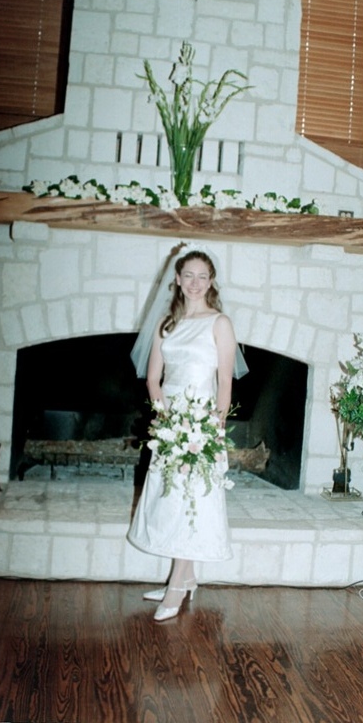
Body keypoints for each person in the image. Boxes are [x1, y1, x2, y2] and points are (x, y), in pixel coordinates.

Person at [127, 242, 248, 622]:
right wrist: (165, 422)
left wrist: (212, 430)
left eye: (203, 276)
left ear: (211, 281)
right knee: (173, 501)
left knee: (190, 502)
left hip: (202, 425)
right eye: (189, 276)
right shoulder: (166, 324)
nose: (195, 283)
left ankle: (176, 588)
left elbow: (225, 383)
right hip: (171, 426)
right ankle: (186, 578)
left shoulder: (220, 323)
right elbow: (153, 378)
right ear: (178, 280)